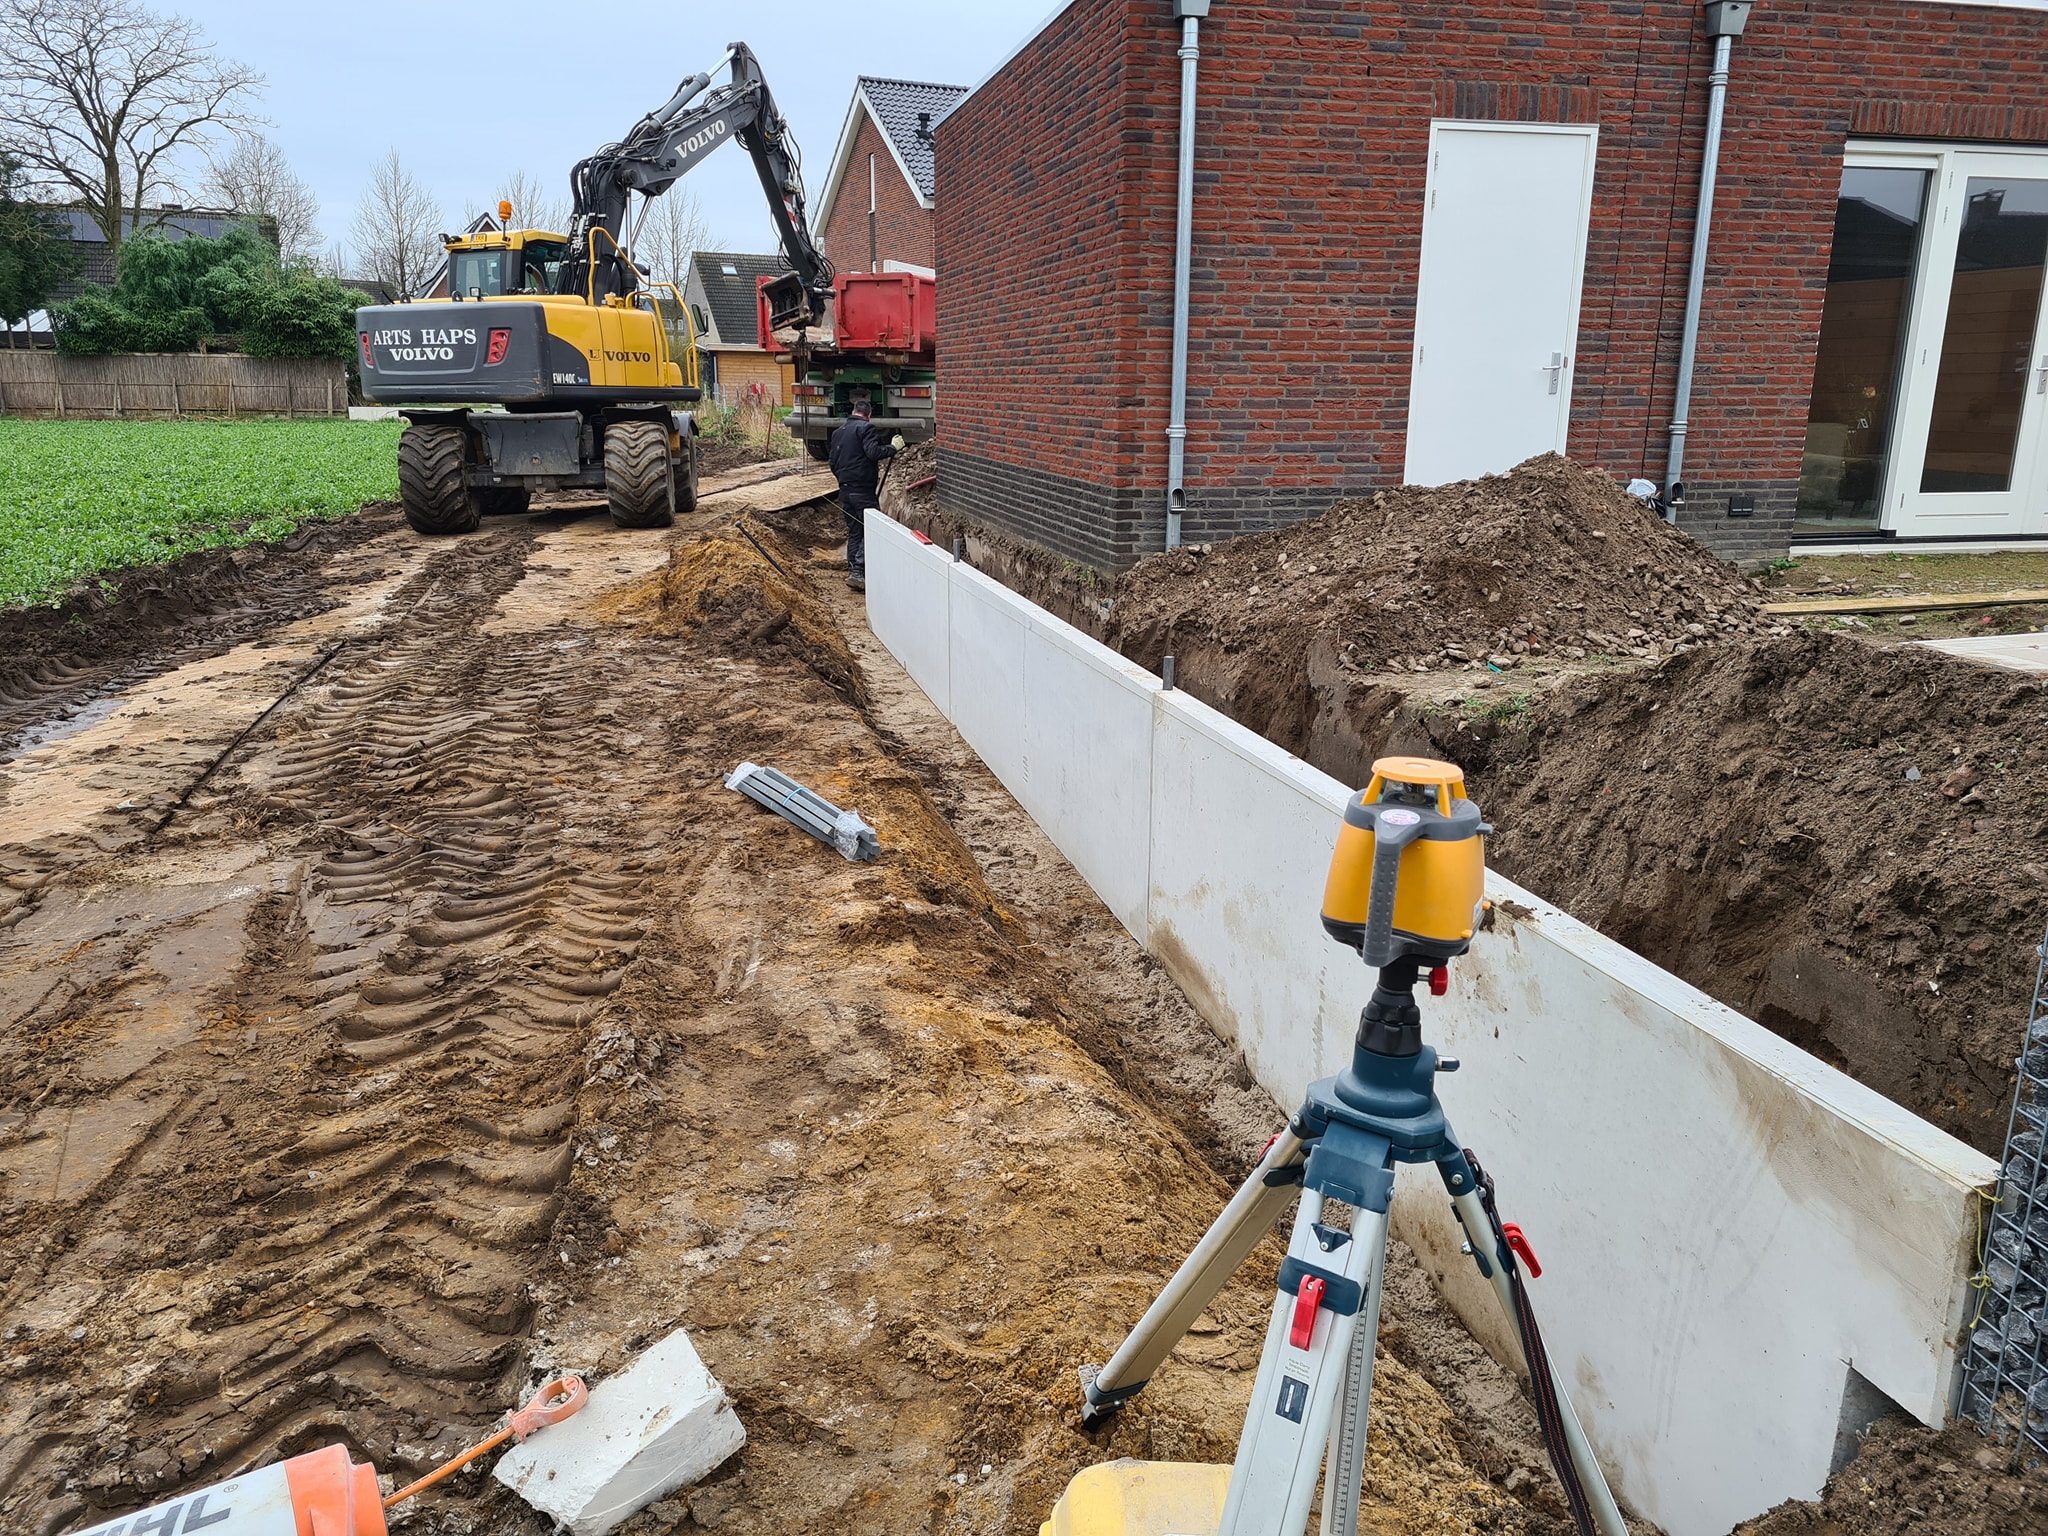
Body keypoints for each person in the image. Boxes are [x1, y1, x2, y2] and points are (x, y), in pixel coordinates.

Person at [828, 396, 903, 591]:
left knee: (854, 532)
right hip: (863, 490)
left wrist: (844, 480)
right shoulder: (866, 428)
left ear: (853, 412)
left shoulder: (838, 433)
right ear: (868, 416)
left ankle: (853, 570)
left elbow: (832, 463)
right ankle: (859, 572)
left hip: (845, 489)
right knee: (869, 530)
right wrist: (893, 448)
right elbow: (873, 452)